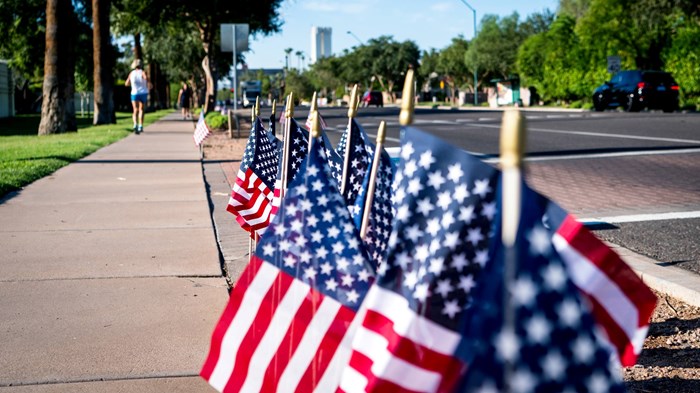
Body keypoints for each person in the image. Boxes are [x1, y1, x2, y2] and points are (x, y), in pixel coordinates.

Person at [125, 59, 148, 134]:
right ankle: (140, 125)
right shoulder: (143, 72)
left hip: (134, 93)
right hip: (143, 93)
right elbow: (146, 79)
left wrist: (133, 84)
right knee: (141, 109)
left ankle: (135, 124)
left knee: (135, 109)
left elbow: (126, 83)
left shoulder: (131, 73)